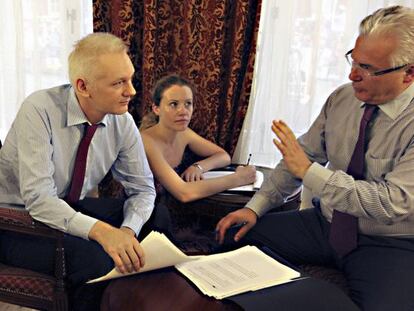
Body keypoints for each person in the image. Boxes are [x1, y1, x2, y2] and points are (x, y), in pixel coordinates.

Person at [216, 5, 414, 311]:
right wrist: (256, 208)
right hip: (326, 224)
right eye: (353, 59)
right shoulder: (342, 98)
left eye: (368, 68)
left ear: (409, 73)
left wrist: (310, 173)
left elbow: (391, 203)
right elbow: (302, 155)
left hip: (389, 241)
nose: (352, 74)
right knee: (233, 235)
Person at [0, 33, 156, 310]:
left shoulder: (123, 121)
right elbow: (40, 201)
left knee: (157, 218)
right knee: (94, 259)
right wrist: (103, 233)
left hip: (68, 208)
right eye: (119, 82)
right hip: (15, 221)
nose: (131, 91)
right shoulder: (39, 109)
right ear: (83, 86)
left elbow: (143, 189)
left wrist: (127, 232)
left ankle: (134, 302)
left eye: (130, 79)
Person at [140, 74, 256, 202]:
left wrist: (198, 167)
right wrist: (239, 178)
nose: (183, 111)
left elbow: (223, 156)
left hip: (180, 211)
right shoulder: (146, 141)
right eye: (173, 104)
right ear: (156, 109)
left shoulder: (183, 133)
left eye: (188, 103)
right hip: (150, 216)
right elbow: (184, 193)